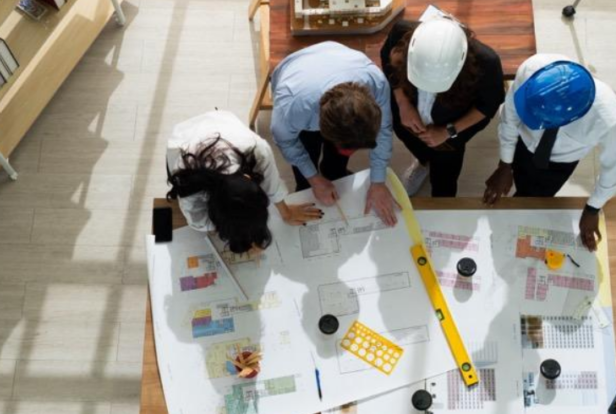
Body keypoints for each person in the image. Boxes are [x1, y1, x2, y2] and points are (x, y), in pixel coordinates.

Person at [482, 54, 616, 251]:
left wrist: (593, 208)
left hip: (558, 164)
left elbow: (614, 170)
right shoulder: (531, 70)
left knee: (534, 197)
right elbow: (511, 117)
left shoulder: (610, 121)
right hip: (522, 141)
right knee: (519, 177)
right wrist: (505, 165)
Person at [270, 41, 397, 226]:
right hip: (297, 78)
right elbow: (287, 142)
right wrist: (313, 179)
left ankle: (334, 172)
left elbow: (384, 132)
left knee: (336, 165)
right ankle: (307, 185)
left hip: (338, 61)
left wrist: (378, 182)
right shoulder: (292, 108)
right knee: (307, 155)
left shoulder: (376, 83)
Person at [166, 110, 323, 254]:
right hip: (183, 139)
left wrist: (286, 213)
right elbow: (198, 221)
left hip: (225, 124)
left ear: (250, 177)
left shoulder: (258, 150)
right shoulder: (186, 179)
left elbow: (272, 185)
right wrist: (239, 236)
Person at [380, 16, 505, 197]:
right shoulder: (401, 31)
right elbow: (387, 60)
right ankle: (423, 163)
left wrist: (449, 131)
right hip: (407, 113)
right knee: (411, 140)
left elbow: (488, 106)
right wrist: (402, 102)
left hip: (451, 129)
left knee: (445, 179)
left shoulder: (487, 62)